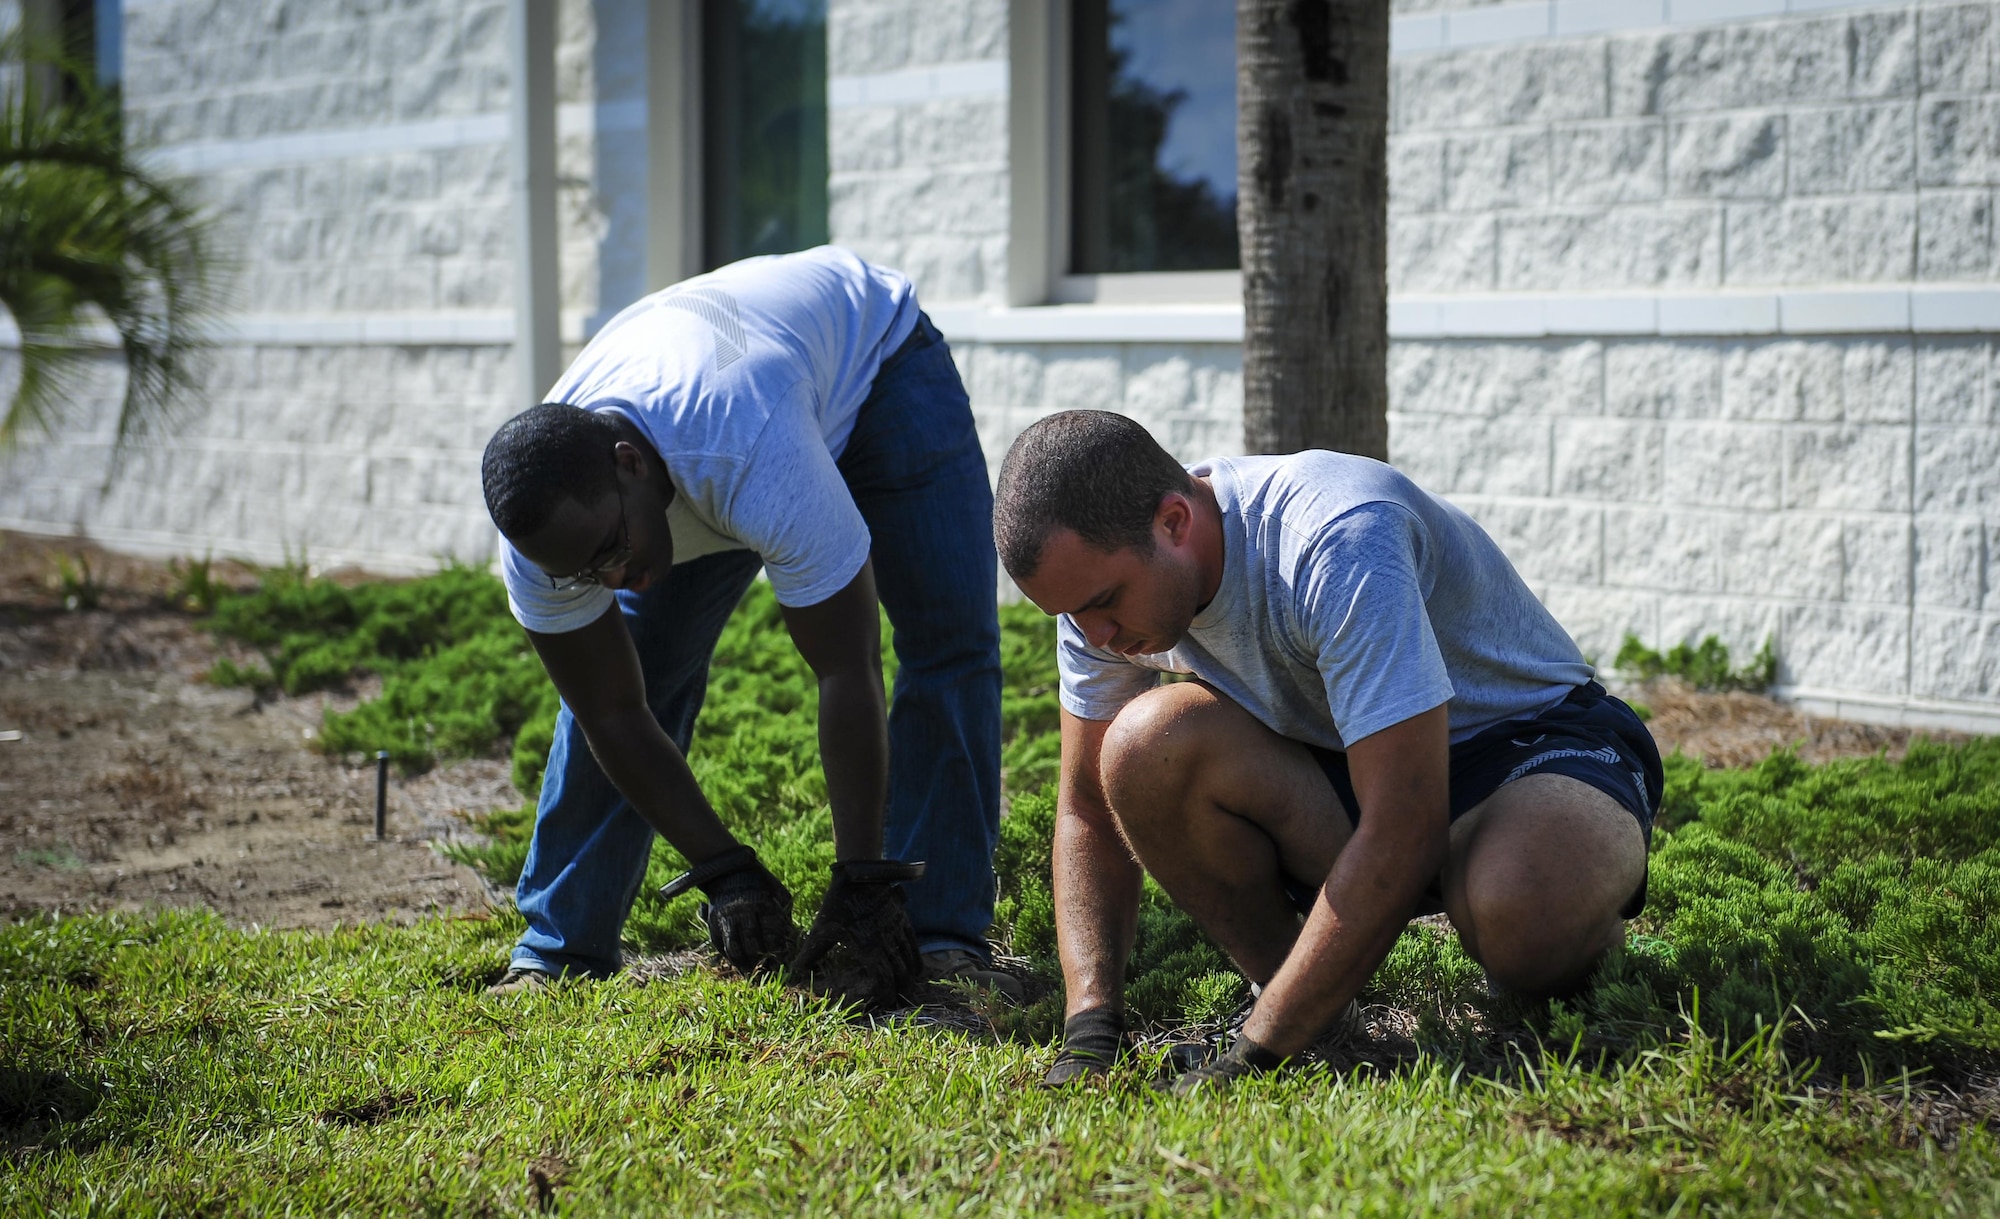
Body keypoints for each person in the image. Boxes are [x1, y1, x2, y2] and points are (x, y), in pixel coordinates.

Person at [992, 410, 1661, 1090]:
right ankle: (1311, 1009)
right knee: (1142, 749)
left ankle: (1561, 918)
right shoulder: (1102, 602)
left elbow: (1406, 823)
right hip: (1356, 764)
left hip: (1532, 745)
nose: (1095, 633)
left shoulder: (1333, 535)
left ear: (1174, 522)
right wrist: (1091, 1029)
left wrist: (1249, 1061)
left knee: (1521, 911)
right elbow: (1086, 812)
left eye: (1105, 601)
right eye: (1072, 614)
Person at [479, 246, 1016, 1006]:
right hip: (725, 419)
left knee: (948, 641)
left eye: (608, 551)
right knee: (635, 672)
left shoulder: (746, 445)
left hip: (877, 365)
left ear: (629, 464)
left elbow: (846, 667)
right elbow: (612, 713)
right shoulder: (545, 535)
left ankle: (940, 938)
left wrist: (861, 878)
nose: (606, 579)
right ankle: (559, 951)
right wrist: (723, 868)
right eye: (578, 573)